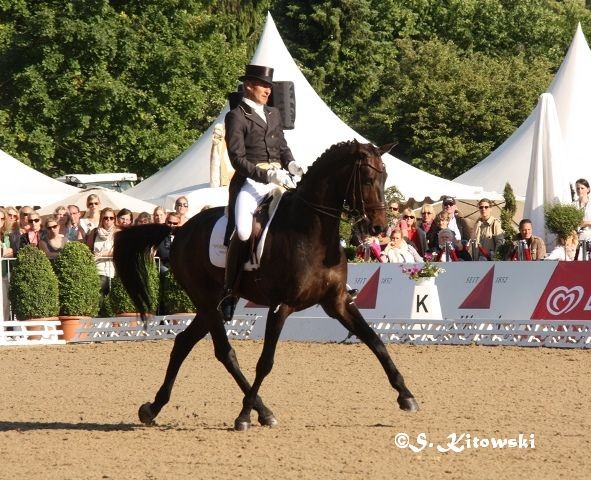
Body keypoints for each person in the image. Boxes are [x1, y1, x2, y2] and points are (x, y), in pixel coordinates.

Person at [219, 64, 304, 321]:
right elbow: (237, 159)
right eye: (263, 85)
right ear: (249, 86)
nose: (268, 90)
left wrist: (291, 164)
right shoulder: (236, 116)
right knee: (244, 230)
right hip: (251, 182)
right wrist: (266, 174)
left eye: (269, 86)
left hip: (280, 178)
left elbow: (283, 146)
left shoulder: (274, 113)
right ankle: (229, 290)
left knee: (303, 216)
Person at [86, 207, 117, 297]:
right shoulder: (95, 232)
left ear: (114, 219)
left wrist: (102, 254)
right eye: (105, 218)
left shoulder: (117, 232)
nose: (108, 220)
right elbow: (87, 249)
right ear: (101, 219)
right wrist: (93, 255)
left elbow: (117, 250)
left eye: (111, 218)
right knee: (99, 293)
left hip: (113, 268)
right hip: (96, 268)